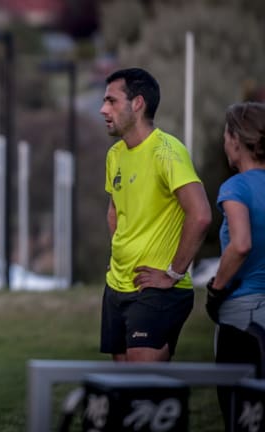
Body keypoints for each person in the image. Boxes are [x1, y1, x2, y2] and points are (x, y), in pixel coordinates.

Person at [99, 68, 211, 362]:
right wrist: (121, 256)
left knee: (141, 383)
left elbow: (200, 215)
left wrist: (173, 273)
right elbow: (115, 210)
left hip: (157, 289)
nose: (103, 109)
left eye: (111, 101)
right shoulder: (115, 155)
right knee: (121, 390)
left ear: (137, 104)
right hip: (117, 285)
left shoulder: (167, 152)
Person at [205, 102, 265, 428]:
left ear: (237, 140)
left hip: (245, 316)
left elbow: (240, 244)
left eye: (226, 135)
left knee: (239, 416)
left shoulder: (236, 187)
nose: (224, 142)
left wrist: (216, 290)